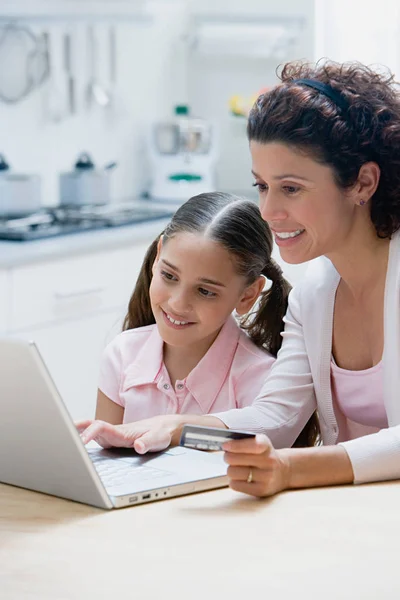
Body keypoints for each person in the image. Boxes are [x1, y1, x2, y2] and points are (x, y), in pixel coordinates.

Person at [79, 59, 400, 497]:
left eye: (291, 188)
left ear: (363, 183)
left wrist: (290, 470)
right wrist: (171, 429)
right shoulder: (315, 298)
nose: (269, 212)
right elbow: (275, 422)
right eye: (262, 186)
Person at [77, 191, 299, 453]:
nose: (177, 304)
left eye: (205, 291)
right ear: (158, 256)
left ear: (248, 293)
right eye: (169, 276)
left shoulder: (261, 379)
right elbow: (105, 465)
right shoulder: (122, 354)